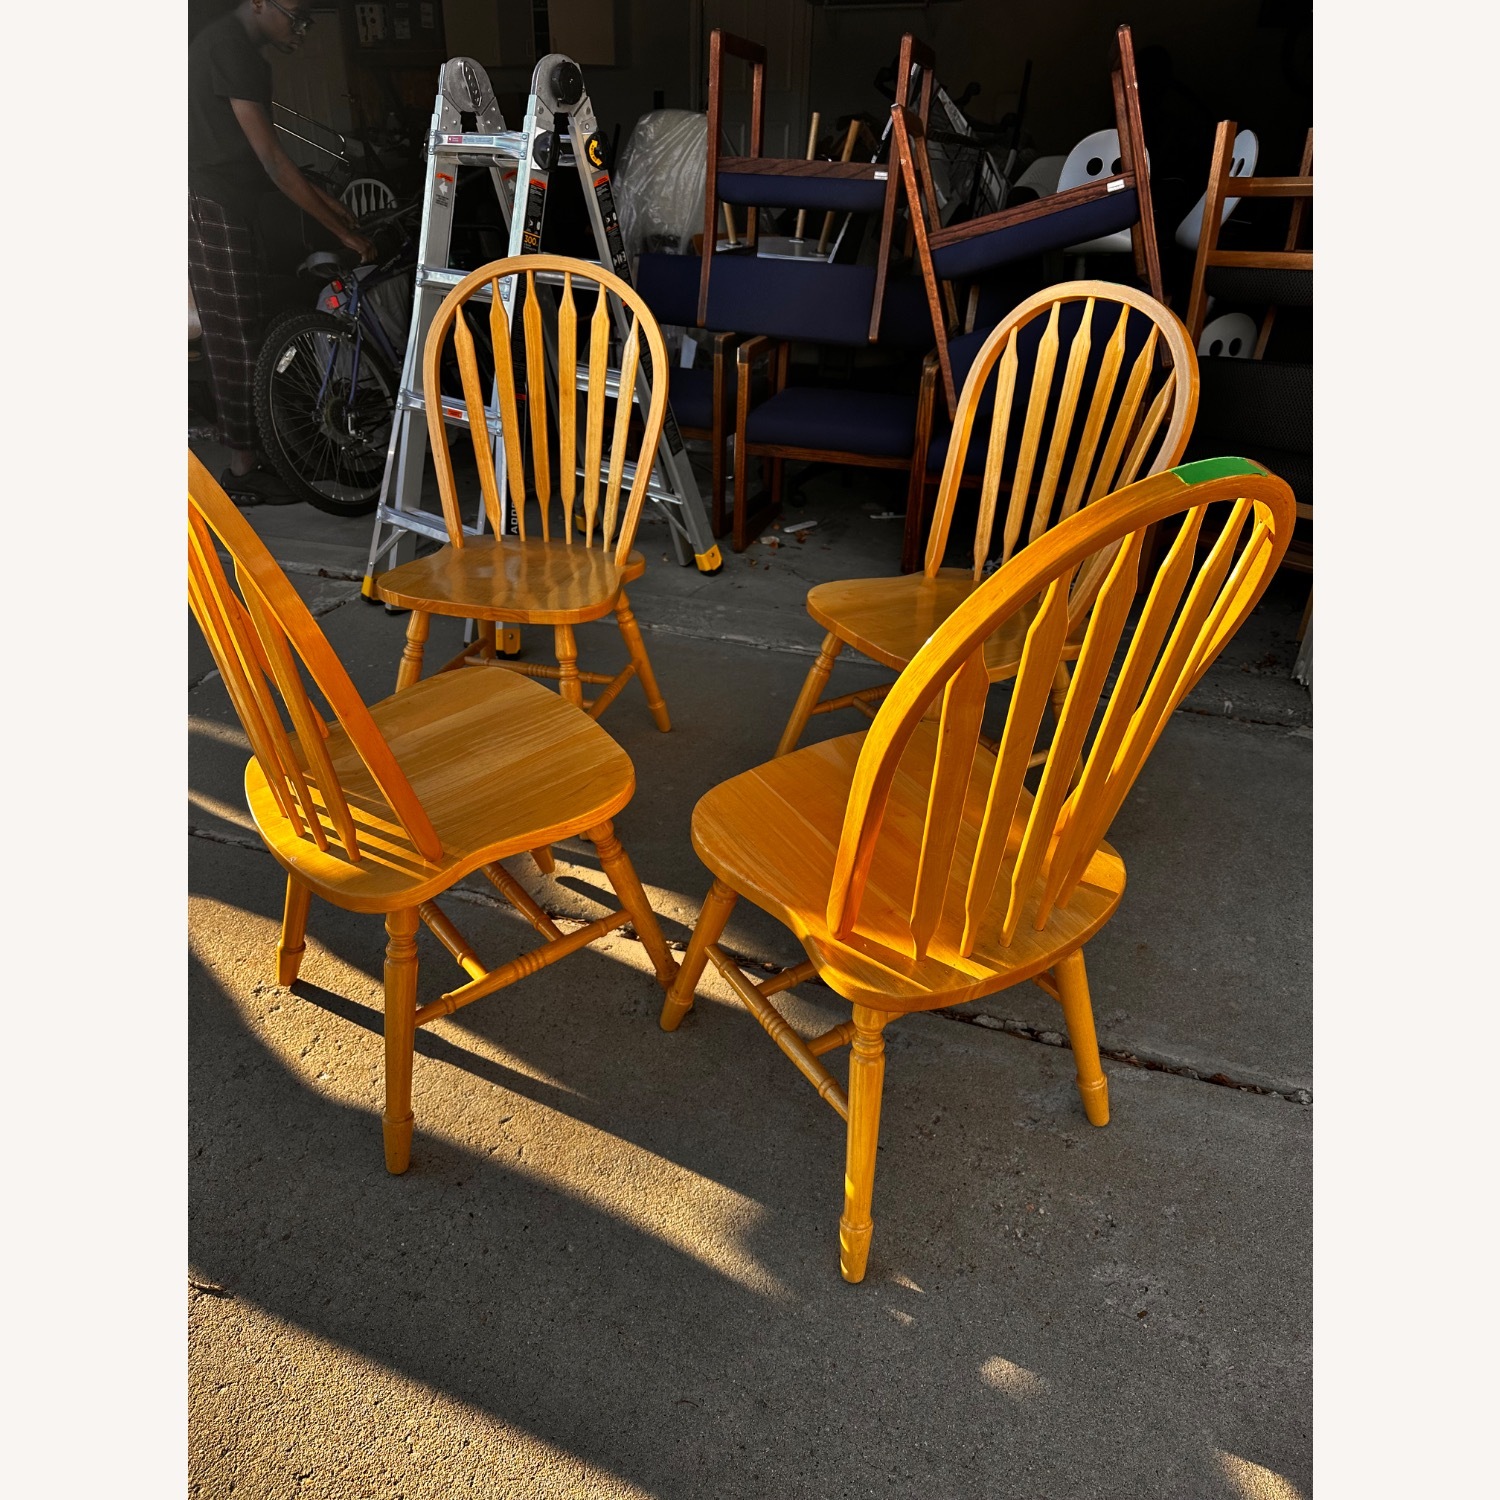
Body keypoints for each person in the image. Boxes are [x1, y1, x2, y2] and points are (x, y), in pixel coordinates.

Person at [189, 0, 377, 504]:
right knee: (234, 336)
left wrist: (329, 202)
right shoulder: (232, 50)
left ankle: (268, 451)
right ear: (258, 2)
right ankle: (243, 469)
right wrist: (339, 232)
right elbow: (270, 160)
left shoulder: (230, 45)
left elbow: (267, 157)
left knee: (248, 326)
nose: (301, 28)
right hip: (212, 204)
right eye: (295, 15)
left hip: (228, 202)